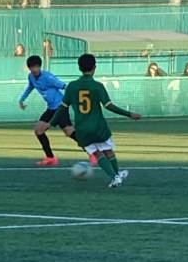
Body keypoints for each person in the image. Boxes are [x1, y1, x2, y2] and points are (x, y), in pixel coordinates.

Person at [61, 53, 142, 188]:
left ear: (79, 67)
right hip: (98, 126)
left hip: (83, 128)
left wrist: (51, 122)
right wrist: (129, 114)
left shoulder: (72, 86)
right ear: (95, 67)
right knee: (108, 150)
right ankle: (116, 175)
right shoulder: (97, 86)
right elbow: (109, 106)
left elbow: (62, 108)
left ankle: (116, 176)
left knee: (97, 153)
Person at [17, 53, 73, 166]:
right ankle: (50, 158)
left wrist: (71, 100)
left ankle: (94, 153)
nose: (34, 69)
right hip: (51, 108)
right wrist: (21, 100)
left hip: (60, 107)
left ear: (39, 66)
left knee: (69, 132)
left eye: (36, 67)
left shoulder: (48, 77)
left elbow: (64, 86)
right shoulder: (31, 77)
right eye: (32, 67)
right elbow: (30, 87)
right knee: (39, 130)